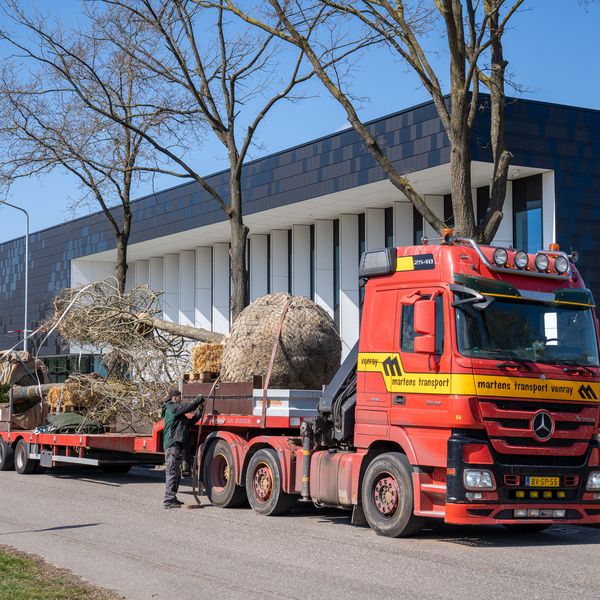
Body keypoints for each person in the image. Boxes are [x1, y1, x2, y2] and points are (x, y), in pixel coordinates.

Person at [161, 389, 205, 509]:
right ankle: (168, 500)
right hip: (172, 444)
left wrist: (199, 413)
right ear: (175, 398)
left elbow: (188, 424)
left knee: (175, 473)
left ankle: (172, 498)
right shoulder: (172, 408)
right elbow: (188, 407)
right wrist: (198, 400)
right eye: (180, 398)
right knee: (172, 472)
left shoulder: (178, 414)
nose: (181, 400)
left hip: (176, 445)